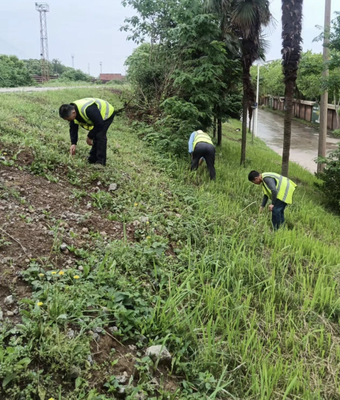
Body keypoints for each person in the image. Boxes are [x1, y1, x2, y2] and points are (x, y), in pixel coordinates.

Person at [59, 98, 115, 166]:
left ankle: (100, 162)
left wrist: (89, 136)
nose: (68, 121)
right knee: (95, 135)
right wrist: (73, 143)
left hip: (106, 113)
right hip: (96, 118)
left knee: (100, 135)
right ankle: (92, 159)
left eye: (68, 119)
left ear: (73, 113)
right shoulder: (72, 111)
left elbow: (99, 124)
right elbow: (73, 129)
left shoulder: (88, 109)